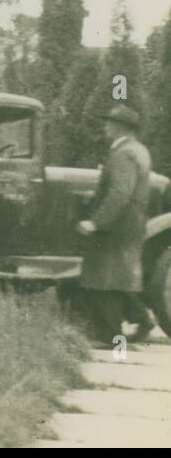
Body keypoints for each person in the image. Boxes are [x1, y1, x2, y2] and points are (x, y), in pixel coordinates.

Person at [75, 105, 154, 347]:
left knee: (104, 279)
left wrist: (96, 222)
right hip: (129, 225)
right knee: (117, 277)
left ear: (122, 128)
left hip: (116, 228)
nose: (105, 126)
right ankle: (141, 319)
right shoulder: (138, 150)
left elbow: (121, 193)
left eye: (109, 123)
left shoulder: (123, 154)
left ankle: (110, 337)